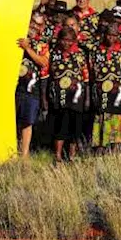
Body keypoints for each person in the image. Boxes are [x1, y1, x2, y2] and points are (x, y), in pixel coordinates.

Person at [47, 26, 91, 161]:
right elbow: (48, 75)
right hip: (59, 96)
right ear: (59, 40)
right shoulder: (53, 53)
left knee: (75, 128)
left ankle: (72, 156)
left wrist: (87, 98)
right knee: (60, 127)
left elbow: (86, 78)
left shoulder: (80, 54)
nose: (66, 43)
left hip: (76, 97)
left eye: (70, 40)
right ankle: (58, 156)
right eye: (64, 40)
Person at [90, 21, 121, 150]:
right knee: (101, 116)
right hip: (100, 89)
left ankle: (116, 149)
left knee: (117, 117)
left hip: (117, 90)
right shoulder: (95, 50)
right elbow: (91, 69)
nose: (111, 38)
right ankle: (101, 147)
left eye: (114, 35)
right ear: (104, 35)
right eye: (109, 35)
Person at [15, 14, 50, 157]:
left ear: (43, 28)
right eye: (33, 23)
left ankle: (24, 154)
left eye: (39, 24)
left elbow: (44, 62)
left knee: (27, 121)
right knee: (14, 120)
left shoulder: (42, 44)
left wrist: (28, 49)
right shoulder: (17, 38)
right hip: (14, 87)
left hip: (31, 88)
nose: (35, 26)